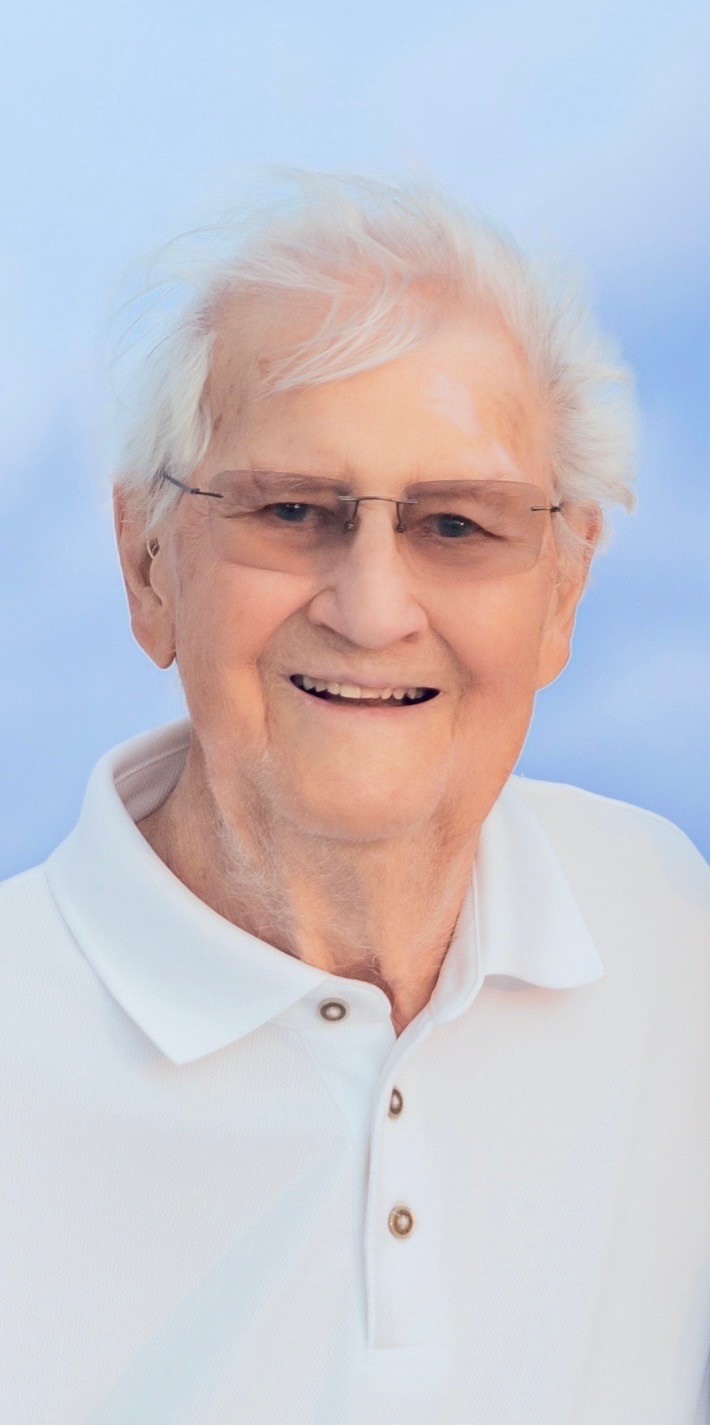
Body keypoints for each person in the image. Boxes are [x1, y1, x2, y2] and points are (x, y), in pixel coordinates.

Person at [1, 170, 708, 1425]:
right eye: (291, 510)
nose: (373, 610)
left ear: (562, 588)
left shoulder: (663, 928)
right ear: (149, 564)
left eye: (456, 526)